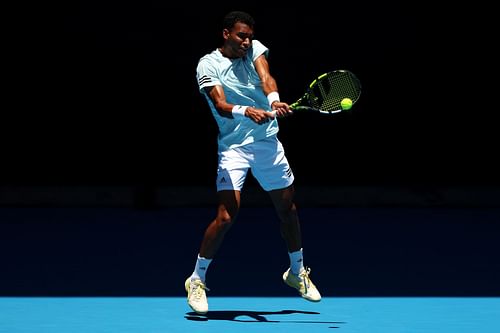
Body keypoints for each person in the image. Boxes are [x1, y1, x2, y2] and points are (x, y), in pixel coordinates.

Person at [185, 10, 321, 314]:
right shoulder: (208, 65)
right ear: (226, 34)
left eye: (249, 36)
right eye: (240, 36)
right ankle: (196, 279)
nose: (246, 42)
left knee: (287, 209)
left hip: (268, 143)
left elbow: (266, 76)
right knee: (226, 216)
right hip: (234, 147)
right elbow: (219, 105)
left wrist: (273, 101)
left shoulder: (256, 50)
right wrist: (246, 111)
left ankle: (296, 272)